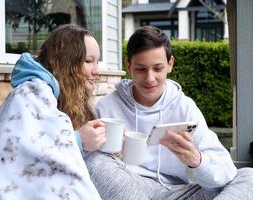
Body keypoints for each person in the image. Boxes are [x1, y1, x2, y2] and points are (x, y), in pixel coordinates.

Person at [85, 26, 253, 200]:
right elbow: (86, 162)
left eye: (158, 69)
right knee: (95, 162)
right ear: (129, 66)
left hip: (177, 192)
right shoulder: (107, 106)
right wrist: (111, 153)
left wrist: (196, 160)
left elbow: (225, 170)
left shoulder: (185, 107)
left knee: (248, 177)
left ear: (170, 64)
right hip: (129, 188)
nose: (150, 78)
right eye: (141, 69)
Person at [0, 24, 103, 200]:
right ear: (66, 62)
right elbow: (24, 152)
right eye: (88, 61)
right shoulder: (30, 93)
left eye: (97, 62)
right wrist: (78, 140)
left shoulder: (66, 97)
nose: (97, 71)